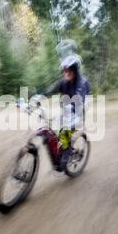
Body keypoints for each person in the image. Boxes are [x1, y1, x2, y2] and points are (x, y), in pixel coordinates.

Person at [43, 40, 91, 172]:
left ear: (75, 70)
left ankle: (67, 155)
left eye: (69, 70)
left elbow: (79, 102)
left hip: (80, 109)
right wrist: (36, 95)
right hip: (68, 109)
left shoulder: (81, 83)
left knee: (66, 129)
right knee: (53, 127)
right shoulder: (63, 82)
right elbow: (49, 90)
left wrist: (71, 112)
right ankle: (64, 146)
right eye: (64, 70)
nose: (66, 72)